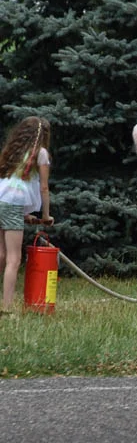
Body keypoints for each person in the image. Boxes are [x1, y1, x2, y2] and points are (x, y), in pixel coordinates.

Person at [0, 116, 53, 311]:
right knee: (14, 259)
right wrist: (45, 216)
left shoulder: (14, 151)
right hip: (12, 207)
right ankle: (6, 308)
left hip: (1, 202)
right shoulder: (41, 153)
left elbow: (11, 186)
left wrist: (24, 215)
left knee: (1, 255)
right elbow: (44, 187)